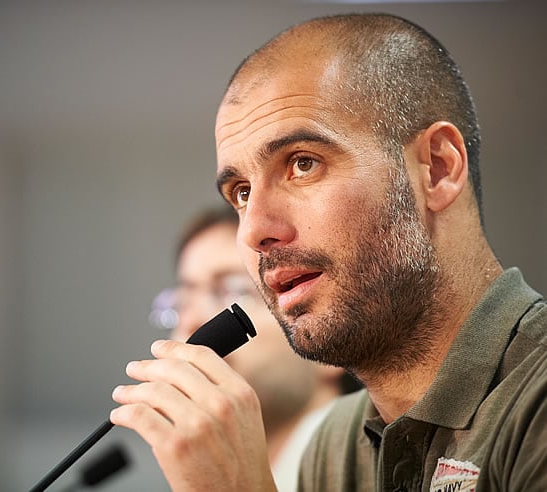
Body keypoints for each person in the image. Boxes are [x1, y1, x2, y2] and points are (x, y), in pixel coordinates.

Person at [111, 13, 546, 491]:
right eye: (240, 192)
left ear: (437, 170)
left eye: (302, 164)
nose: (254, 230)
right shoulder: (333, 445)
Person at [149, 205, 361, 491]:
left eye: (236, 290)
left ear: (331, 344)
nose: (192, 321)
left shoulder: (374, 469)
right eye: (184, 300)